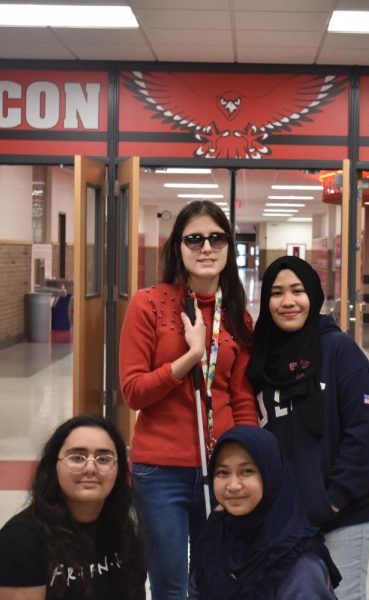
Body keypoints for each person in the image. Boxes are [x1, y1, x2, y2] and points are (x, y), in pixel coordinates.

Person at [119, 200, 257, 599]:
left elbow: (243, 397)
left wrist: (246, 466)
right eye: (194, 238)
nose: (206, 248)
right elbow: (133, 392)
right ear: (177, 247)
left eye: (216, 238)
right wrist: (190, 358)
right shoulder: (149, 304)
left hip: (221, 469)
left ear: (229, 247)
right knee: (171, 584)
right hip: (160, 472)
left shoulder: (236, 315)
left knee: (215, 580)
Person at [247, 256, 369, 600]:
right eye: (277, 292)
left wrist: (336, 498)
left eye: (297, 290)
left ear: (313, 294)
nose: (288, 301)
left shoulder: (338, 349)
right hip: (281, 520)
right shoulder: (261, 360)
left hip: (342, 515)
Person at [0, 415, 146, 600]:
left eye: (104, 459)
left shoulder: (124, 531)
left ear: (118, 469)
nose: (90, 468)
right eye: (77, 457)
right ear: (53, 466)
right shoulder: (17, 544)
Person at [190, 425, 340, 599]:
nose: (233, 485)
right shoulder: (215, 535)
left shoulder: (296, 560)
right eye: (222, 472)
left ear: (271, 474)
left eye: (247, 471)